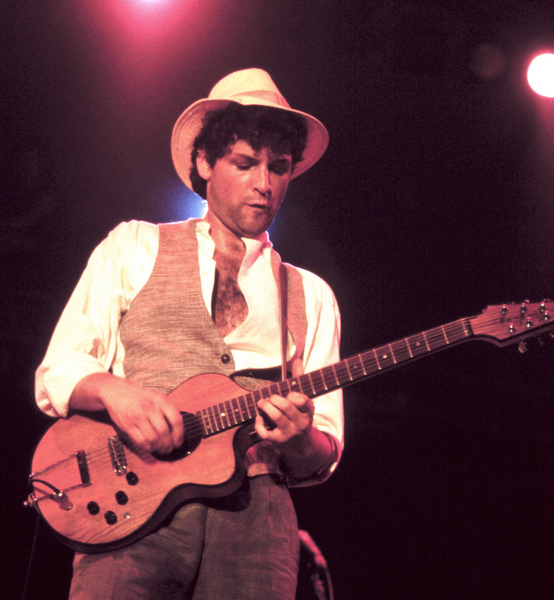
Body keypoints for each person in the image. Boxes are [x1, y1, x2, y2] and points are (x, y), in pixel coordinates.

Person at [35, 68, 343, 600]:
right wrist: (114, 390)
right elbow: (59, 369)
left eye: (279, 167)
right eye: (244, 163)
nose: (264, 183)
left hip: (257, 524)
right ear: (204, 162)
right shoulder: (135, 246)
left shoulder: (311, 294)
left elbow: (323, 453)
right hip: (133, 501)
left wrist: (300, 439)